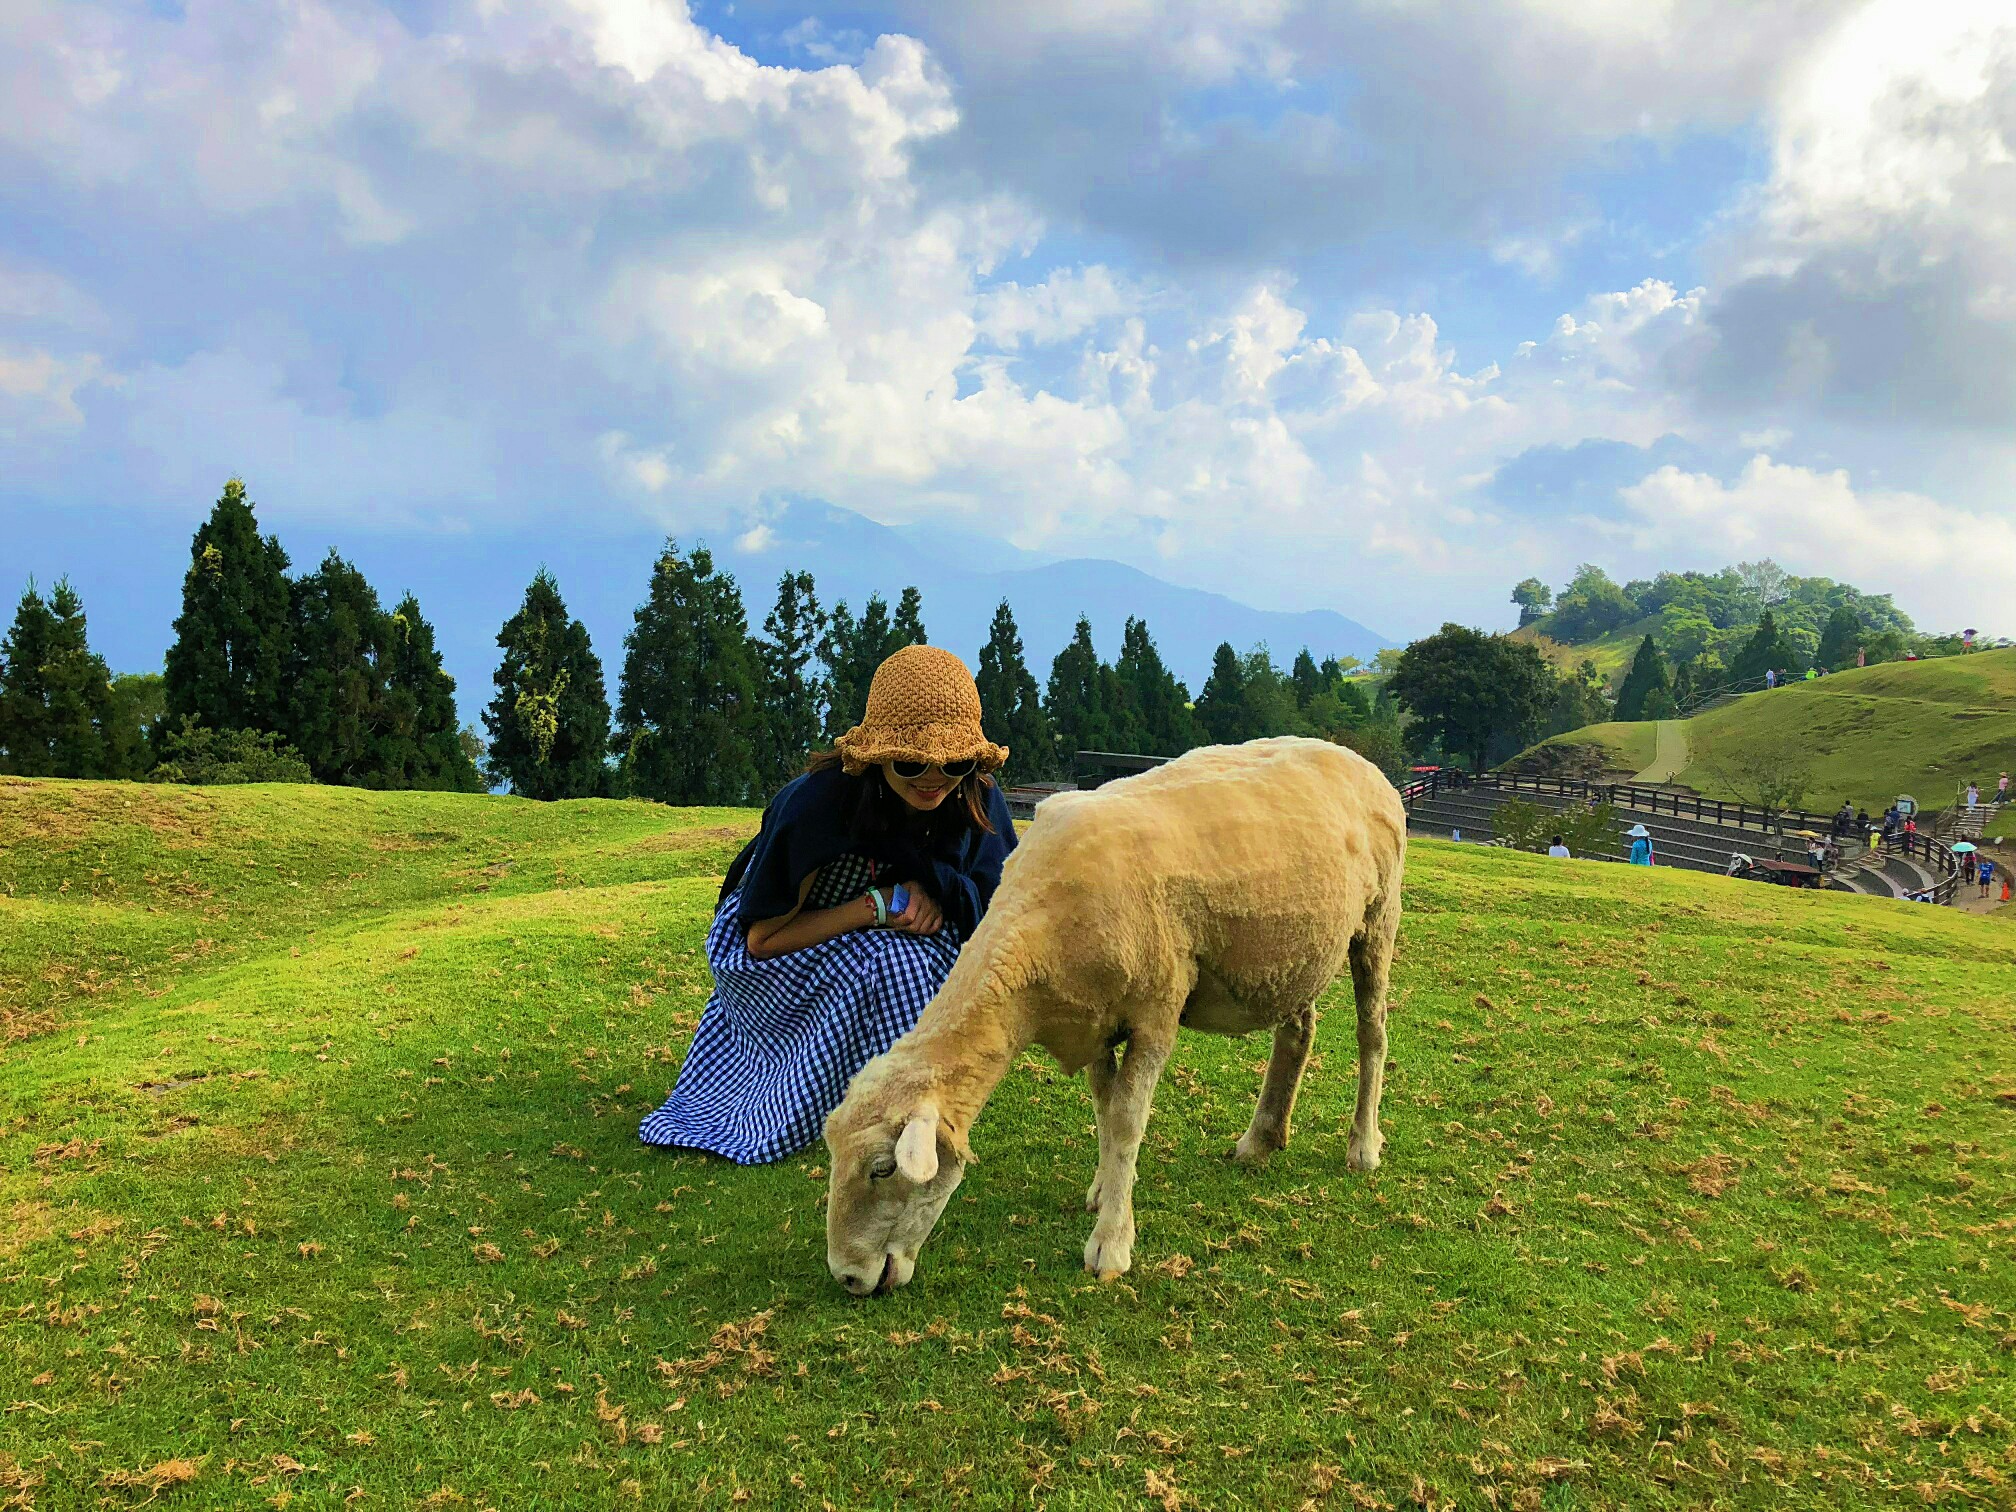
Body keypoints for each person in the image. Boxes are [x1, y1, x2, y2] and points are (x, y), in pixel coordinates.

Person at [638, 645, 1016, 1164]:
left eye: (954, 762)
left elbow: (997, 915)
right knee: (893, 963)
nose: (933, 778)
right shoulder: (818, 806)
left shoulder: (974, 798)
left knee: (924, 958)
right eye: (909, 762)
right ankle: (834, 1094)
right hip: (778, 942)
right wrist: (875, 907)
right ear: (877, 754)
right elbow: (761, 939)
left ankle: (907, 1104)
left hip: (897, 929)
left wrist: (938, 891)